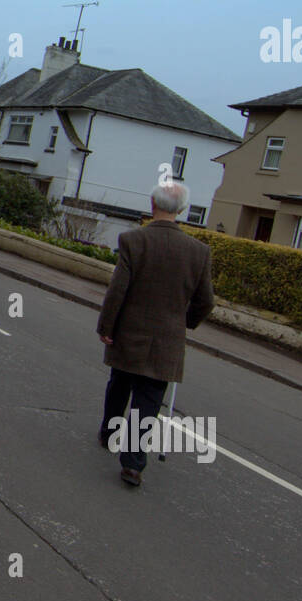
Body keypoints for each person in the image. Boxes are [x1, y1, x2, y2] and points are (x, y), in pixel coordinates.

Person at [96, 180, 214, 487]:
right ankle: (133, 464)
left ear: (152, 204)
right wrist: (183, 322)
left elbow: (117, 290)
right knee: (148, 402)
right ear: (183, 210)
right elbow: (206, 301)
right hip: (167, 339)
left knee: (120, 383)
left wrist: (106, 327)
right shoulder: (199, 252)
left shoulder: (133, 241)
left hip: (129, 332)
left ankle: (109, 431)